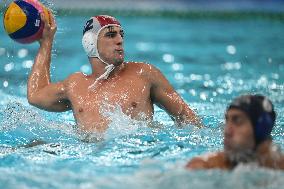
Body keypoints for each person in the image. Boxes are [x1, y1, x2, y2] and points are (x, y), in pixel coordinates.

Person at [27, 11, 202, 135]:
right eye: (111, 35)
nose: (119, 40)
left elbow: (190, 122)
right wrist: (46, 43)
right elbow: (35, 95)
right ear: (90, 43)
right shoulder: (75, 85)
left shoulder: (144, 74)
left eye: (121, 34)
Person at [186, 94, 284, 170]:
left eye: (237, 121)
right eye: (227, 121)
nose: (227, 131)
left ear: (261, 129)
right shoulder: (204, 167)